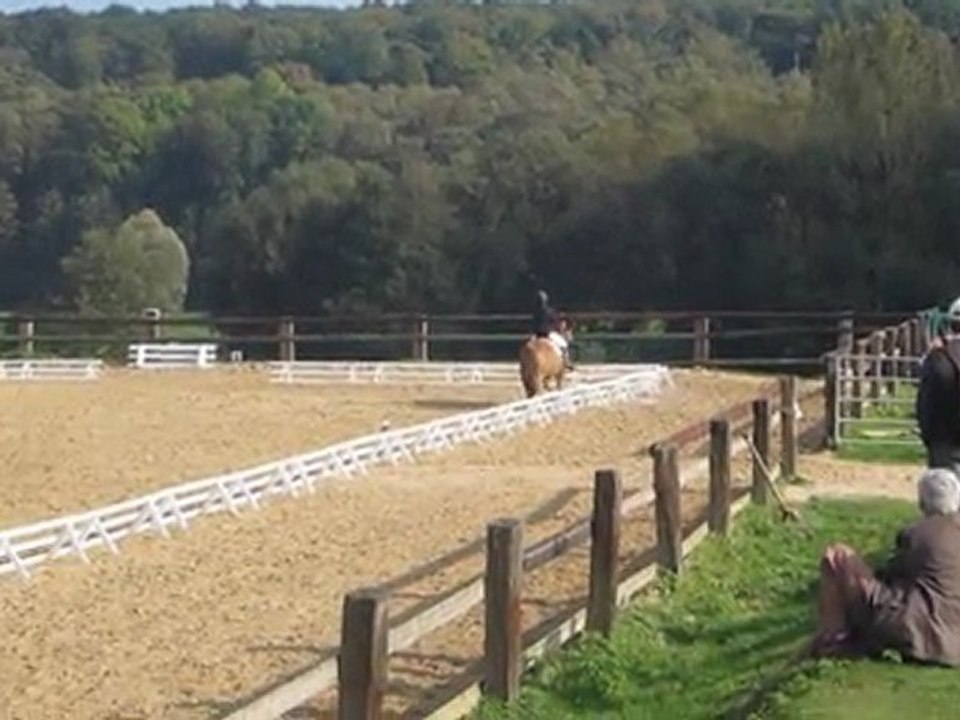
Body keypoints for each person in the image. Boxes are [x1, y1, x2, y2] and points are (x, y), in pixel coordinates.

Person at [811, 468, 960, 666]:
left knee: (837, 556)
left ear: (921, 502)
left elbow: (891, 575)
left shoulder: (916, 534)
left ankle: (834, 640)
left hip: (919, 630)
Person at [916, 296, 960, 473]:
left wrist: (931, 440)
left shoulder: (936, 359)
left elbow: (925, 408)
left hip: (943, 447)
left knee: (941, 497)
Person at [532, 289, 573, 371]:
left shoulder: (535, 312)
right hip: (548, 335)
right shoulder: (550, 311)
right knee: (564, 345)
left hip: (536, 335)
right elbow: (555, 323)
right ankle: (566, 361)